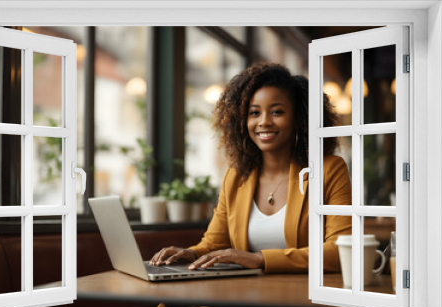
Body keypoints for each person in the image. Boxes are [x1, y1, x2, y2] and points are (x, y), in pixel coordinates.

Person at [150, 63, 352, 274]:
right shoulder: (236, 176)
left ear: (298, 119)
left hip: (303, 295)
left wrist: (260, 259)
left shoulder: (328, 170)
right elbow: (214, 243)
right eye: (254, 113)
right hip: (246, 294)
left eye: (277, 112)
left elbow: (341, 251)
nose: (264, 122)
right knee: (191, 306)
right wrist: (191, 254)